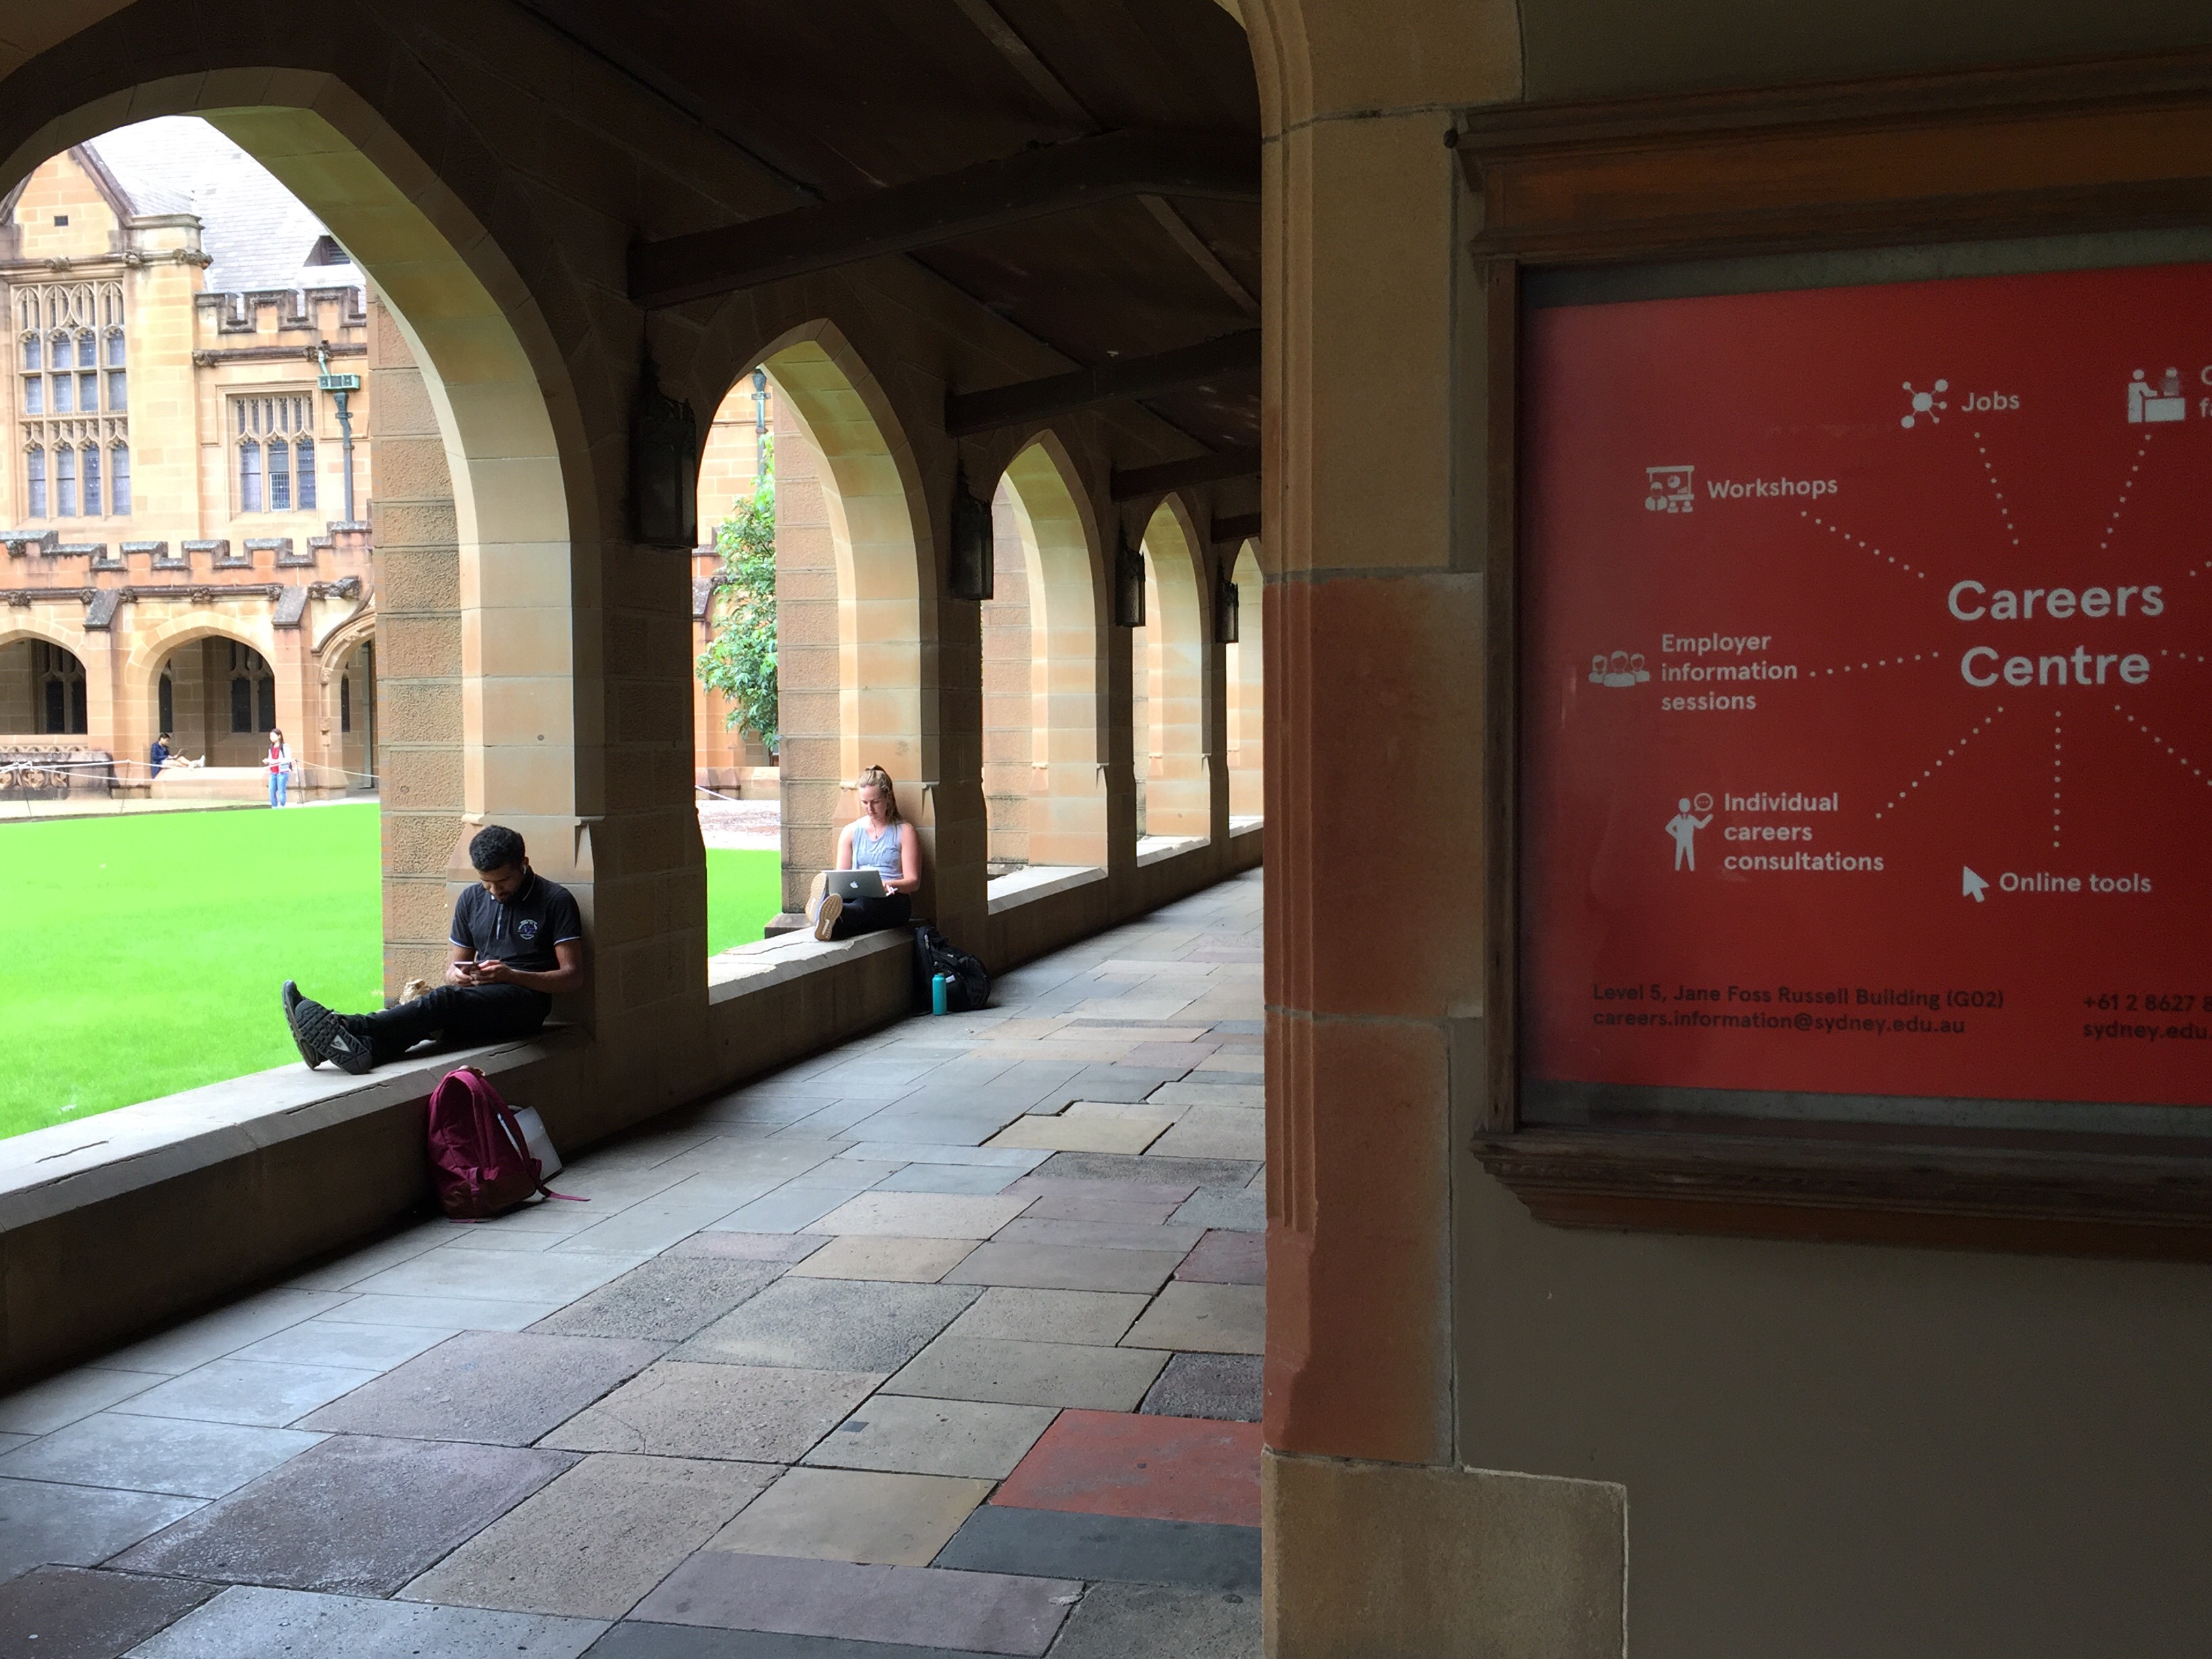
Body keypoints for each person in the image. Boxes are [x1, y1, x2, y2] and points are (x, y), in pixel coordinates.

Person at [283, 825, 585, 1075]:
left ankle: (346, 1025)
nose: (494, 890)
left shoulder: (555, 900)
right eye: (485, 883)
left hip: (526, 1005)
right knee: (431, 1020)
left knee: (441, 1002)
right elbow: (454, 969)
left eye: (503, 881)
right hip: (478, 999)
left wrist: (512, 976)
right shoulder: (470, 900)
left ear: (524, 864)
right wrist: (459, 976)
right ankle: (361, 1051)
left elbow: (573, 978)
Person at [807, 764, 918, 941]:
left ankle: (827, 912)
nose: (870, 808)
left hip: (893, 900)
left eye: (876, 802)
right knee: (846, 913)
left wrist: (887, 884)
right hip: (857, 895)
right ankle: (828, 918)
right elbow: (841, 878)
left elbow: (913, 882)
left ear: (888, 797)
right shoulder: (850, 832)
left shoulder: (904, 831)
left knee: (866, 904)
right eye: (865, 803)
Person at [265, 729, 295, 808]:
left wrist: (275, 761)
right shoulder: (271, 747)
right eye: (270, 736)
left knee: (281, 791)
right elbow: (270, 758)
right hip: (273, 772)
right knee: (271, 791)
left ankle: (282, 806)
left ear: (279, 736)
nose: (271, 738)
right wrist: (268, 761)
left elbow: (287, 759)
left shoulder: (285, 746)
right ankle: (274, 807)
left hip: (282, 772)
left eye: (273, 736)